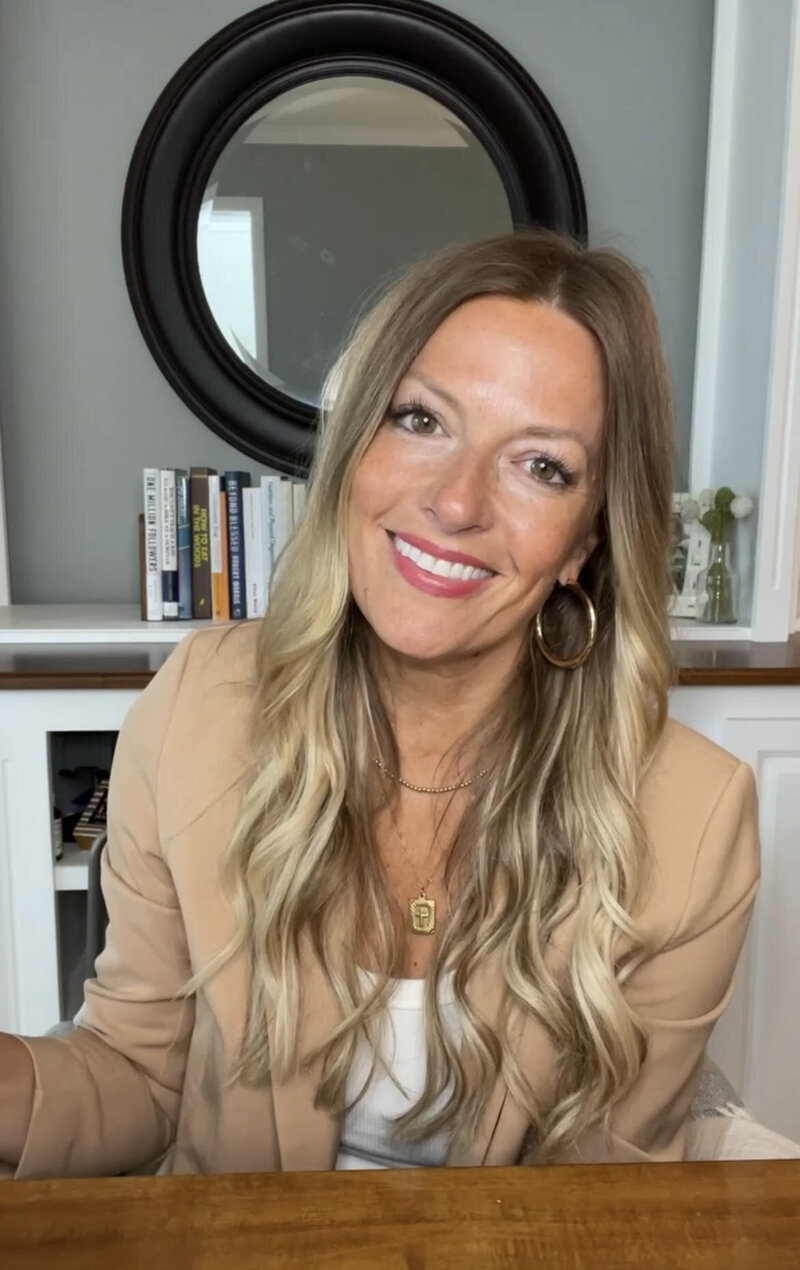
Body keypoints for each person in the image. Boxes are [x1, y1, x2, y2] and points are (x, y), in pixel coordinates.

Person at [0, 232, 759, 1178]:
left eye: (542, 467)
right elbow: (135, 1078)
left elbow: (600, 1208)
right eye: (422, 421)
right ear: (357, 444)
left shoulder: (694, 818)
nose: (454, 502)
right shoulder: (197, 710)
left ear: (585, 543)